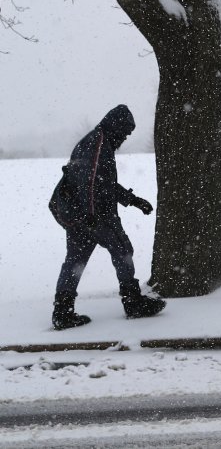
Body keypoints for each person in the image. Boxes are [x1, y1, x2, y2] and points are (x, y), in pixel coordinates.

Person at [48, 104, 166, 330]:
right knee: (123, 250)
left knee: (75, 261)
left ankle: (62, 312)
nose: (125, 137)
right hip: (96, 215)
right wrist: (91, 214)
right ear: (115, 125)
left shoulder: (93, 142)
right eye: (125, 131)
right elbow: (90, 182)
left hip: (77, 216)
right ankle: (133, 302)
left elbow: (103, 182)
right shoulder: (98, 144)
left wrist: (132, 200)